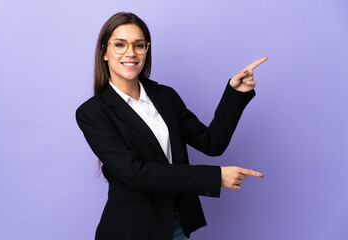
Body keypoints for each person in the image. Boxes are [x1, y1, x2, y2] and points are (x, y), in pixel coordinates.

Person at [76, 12, 267, 240]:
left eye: (139, 45)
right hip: (132, 229)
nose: (131, 52)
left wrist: (235, 94)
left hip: (177, 223)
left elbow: (212, 143)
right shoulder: (93, 112)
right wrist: (214, 177)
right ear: (104, 52)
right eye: (119, 45)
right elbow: (136, 173)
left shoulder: (165, 96)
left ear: (146, 51)